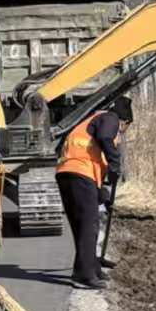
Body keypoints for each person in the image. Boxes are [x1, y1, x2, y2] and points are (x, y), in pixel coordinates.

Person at [55, 97, 127, 289]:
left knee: (84, 226)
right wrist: (115, 161)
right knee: (89, 224)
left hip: (68, 174)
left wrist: (102, 194)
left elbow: (94, 160)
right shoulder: (110, 118)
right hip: (79, 173)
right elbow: (104, 137)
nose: (120, 135)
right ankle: (83, 276)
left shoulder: (91, 122)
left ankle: (92, 268)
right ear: (124, 121)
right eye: (123, 129)